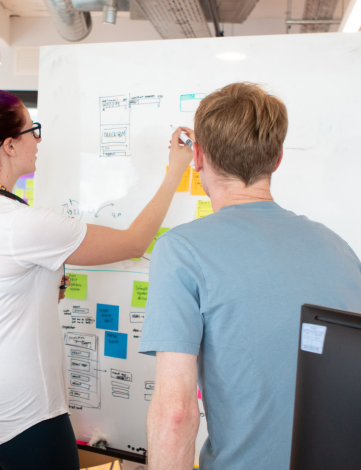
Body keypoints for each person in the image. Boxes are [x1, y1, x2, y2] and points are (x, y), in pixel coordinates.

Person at [0, 90, 192, 470]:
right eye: (31, 130)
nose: (38, 140)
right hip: (24, 412)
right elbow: (135, 242)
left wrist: (21, 300)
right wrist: (176, 170)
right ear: (9, 146)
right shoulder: (24, 224)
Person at [138, 82, 361, 470]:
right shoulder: (339, 246)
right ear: (276, 160)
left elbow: (175, 414)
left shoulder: (182, 250)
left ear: (199, 158)